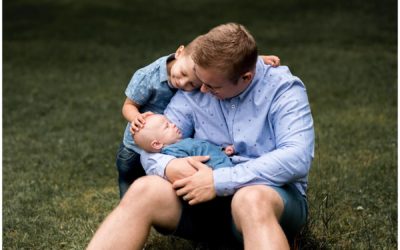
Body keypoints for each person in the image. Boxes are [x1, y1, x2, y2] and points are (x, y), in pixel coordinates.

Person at [89, 23, 314, 250]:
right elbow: (155, 144)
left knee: (250, 200)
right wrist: (169, 167)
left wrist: (219, 181)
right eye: (200, 80)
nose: (202, 90)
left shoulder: (283, 90)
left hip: (269, 199)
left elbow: (297, 158)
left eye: (212, 85)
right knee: (143, 190)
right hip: (204, 204)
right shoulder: (197, 85)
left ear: (246, 77)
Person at [116, 40, 280, 198]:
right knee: (129, 179)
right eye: (183, 74)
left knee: (150, 180)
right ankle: (128, 207)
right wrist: (137, 119)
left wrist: (256, 61)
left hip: (165, 133)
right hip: (138, 139)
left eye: (191, 85)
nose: (182, 83)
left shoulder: (193, 71)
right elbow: (128, 105)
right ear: (179, 52)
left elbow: (223, 61)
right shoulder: (147, 77)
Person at [133, 113, 234, 170]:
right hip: (216, 169)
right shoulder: (173, 152)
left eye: (170, 122)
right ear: (157, 144)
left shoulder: (182, 143)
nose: (173, 125)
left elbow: (204, 148)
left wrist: (222, 150)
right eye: (167, 126)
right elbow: (188, 166)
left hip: (223, 162)